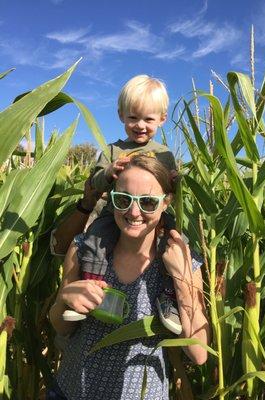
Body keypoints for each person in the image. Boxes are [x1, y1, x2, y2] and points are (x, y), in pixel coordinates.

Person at [49, 155, 209, 400]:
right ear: (112, 200)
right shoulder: (84, 249)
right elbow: (61, 326)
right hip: (70, 391)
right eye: (123, 200)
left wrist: (180, 277)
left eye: (147, 202)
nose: (134, 212)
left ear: (166, 202)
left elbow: (198, 354)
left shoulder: (184, 261)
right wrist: (65, 298)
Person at [81, 74, 181, 334]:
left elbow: (170, 192)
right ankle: (91, 287)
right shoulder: (113, 151)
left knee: (177, 242)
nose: (140, 125)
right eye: (133, 118)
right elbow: (96, 183)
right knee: (95, 238)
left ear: (162, 119)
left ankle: (170, 296)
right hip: (115, 212)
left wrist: (176, 181)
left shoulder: (165, 154)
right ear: (121, 115)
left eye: (148, 119)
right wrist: (109, 172)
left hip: (152, 217)